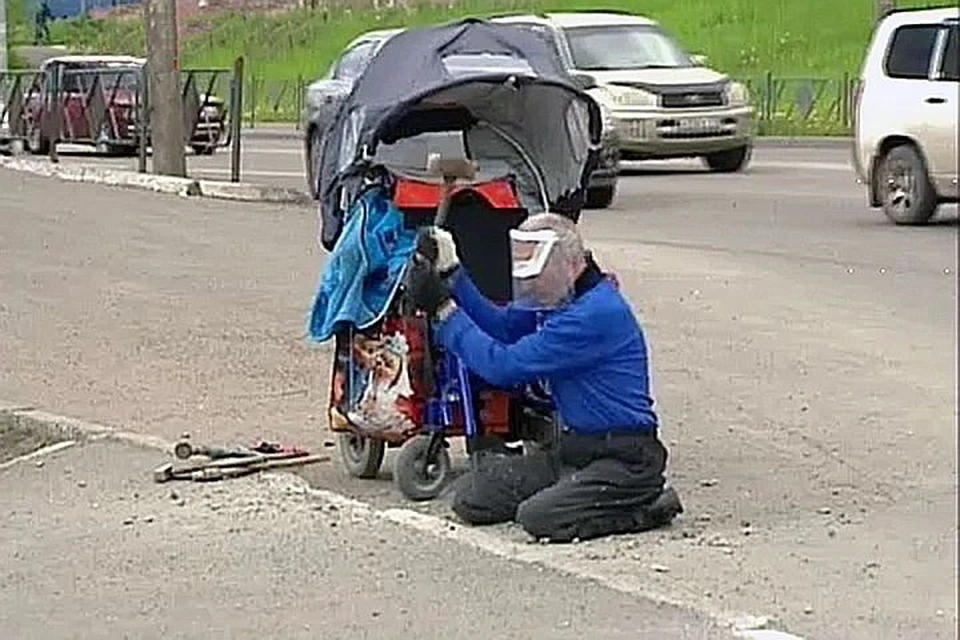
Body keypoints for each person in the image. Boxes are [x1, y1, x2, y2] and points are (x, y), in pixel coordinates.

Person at [405, 212, 683, 543]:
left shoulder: (592, 314)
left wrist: (444, 311)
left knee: (540, 518)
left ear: (568, 264)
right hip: (574, 448)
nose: (532, 285)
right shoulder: (563, 295)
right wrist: (453, 275)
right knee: (473, 496)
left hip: (624, 458)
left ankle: (646, 506)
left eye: (537, 275)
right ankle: (575, 491)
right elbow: (505, 328)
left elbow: (503, 366)